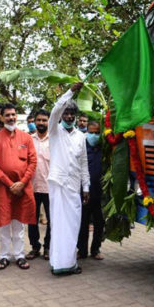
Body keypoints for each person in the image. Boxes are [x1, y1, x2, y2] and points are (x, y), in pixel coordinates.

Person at [48, 82, 90, 276]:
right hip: (58, 184)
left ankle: (70, 262)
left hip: (74, 187)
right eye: (66, 113)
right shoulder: (55, 131)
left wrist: (86, 187)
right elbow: (55, 110)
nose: (69, 116)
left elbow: (83, 164)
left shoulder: (81, 136)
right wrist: (70, 92)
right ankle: (58, 263)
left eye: (72, 114)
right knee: (59, 225)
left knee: (73, 225)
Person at [0, 104, 37, 270]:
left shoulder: (26, 138)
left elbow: (33, 161)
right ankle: (4, 256)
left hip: (22, 188)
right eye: (7, 115)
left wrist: (22, 183)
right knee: (4, 223)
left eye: (13, 114)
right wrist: (10, 184)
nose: (11, 118)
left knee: (19, 223)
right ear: (1, 117)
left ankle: (20, 255)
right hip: (3, 188)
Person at [26, 109, 51, 261]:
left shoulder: (54, 139)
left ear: (49, 121)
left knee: (52, 220)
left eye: (44, 120)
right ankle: (35, 247)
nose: (41, 123)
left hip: (50, 188)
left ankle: (48, 247)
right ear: (34, 122)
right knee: (32, 220)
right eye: (39, 120)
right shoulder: (28, 140)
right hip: (32, 187)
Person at [77, 120, 105, 260]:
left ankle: (96, 249)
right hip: (83, 192)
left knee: (99, 223)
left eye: (97, 132)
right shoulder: (81, 146)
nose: (94, 135)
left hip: (99, 193)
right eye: (91, 132)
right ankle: (81, 251)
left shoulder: (103, 147)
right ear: (86, 132)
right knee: (82, 223)